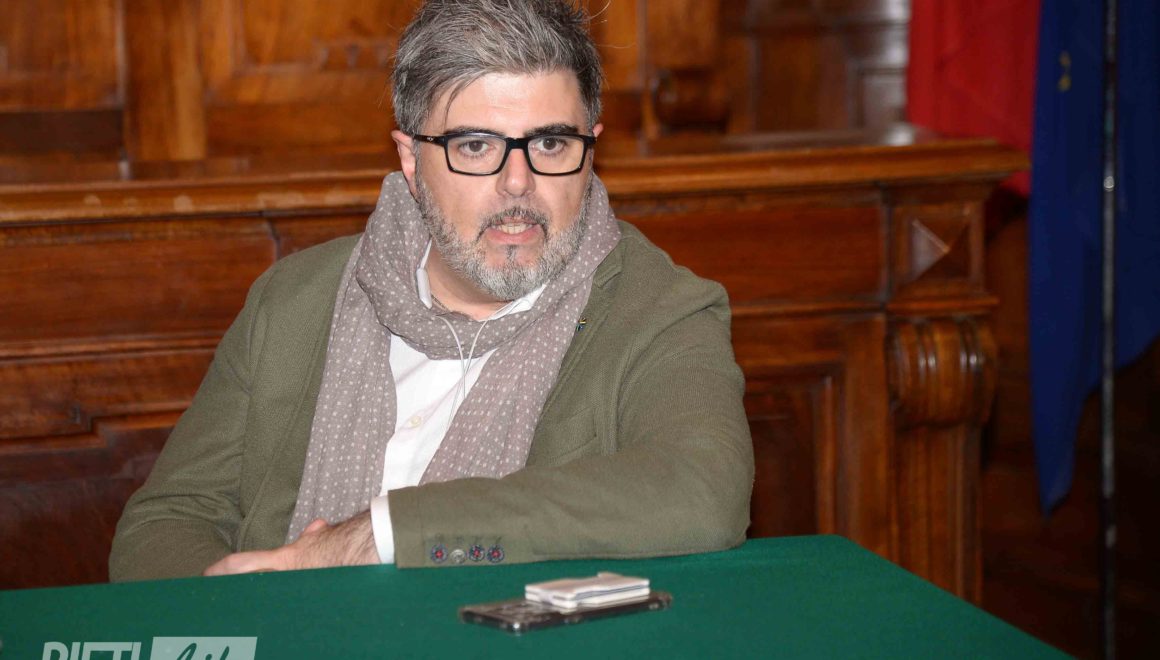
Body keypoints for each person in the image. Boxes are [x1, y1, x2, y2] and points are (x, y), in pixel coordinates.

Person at [109, 0, 753, 581]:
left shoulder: (660, 311)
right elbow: (168, 520)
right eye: (475, 146)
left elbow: (701, 491)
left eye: (552, 143)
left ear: (591, 150)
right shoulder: (296, 301)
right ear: (410, 160)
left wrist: (384, 535)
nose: (518, 183)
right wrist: (249, 619)